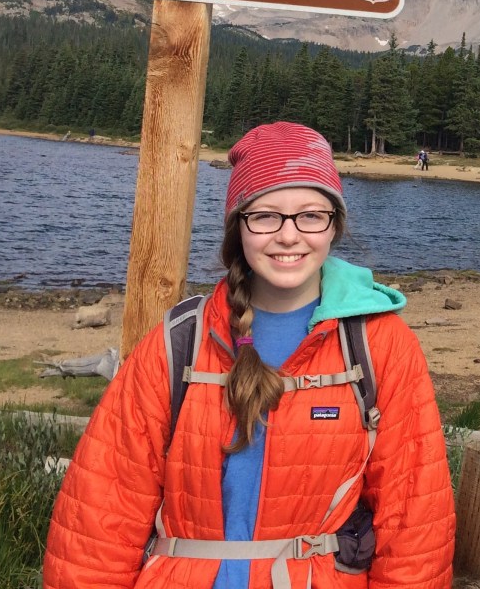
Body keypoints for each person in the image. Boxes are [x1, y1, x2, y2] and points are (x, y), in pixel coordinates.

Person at [43, 121, 456, 589]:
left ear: (334, 224)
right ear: (238, 225)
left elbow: (415, 522)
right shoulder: (179, 341)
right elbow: (101, 515)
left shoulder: (381, 345)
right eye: (265, 216)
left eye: (310, 215)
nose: (288, 235)